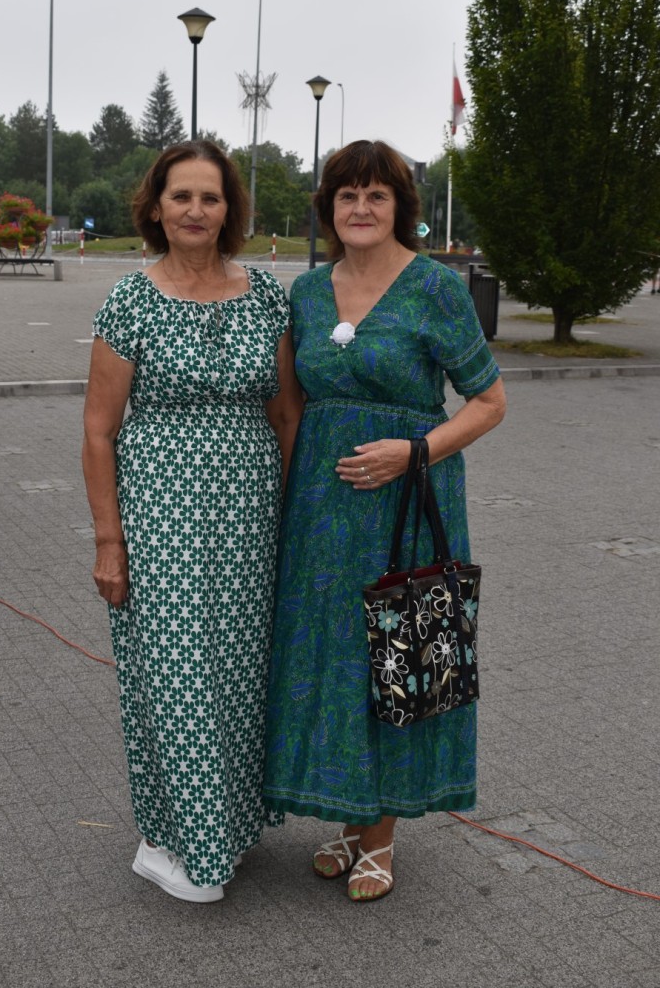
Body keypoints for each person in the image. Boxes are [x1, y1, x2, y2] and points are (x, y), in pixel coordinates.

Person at [263, 139, 506, 902]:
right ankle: (348, 815)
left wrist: (415, 451)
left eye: (376, 195)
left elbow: (490, 402)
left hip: (405, 506)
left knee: (395, 654)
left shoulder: (435, 288)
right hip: (321, 512)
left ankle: (381, 836)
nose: (361, 208)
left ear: (400, 207)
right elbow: (290, 406)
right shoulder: (307, 293)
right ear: (329, 208)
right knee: (330, 658)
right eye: (347, 196)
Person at [83, 139, 302, 904]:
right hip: (160, 523)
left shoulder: (268, 295)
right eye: (182, 196)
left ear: (229, 209)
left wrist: (292, 519)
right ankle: (174, 841)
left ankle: (222, 828)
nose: (196, 210)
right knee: (174, 679)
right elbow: (98, 431)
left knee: (238, 679)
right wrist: (109, 542)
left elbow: (287, 416)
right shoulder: (131, 300)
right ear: (156, 206)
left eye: (210, 197)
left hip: (249, 525)